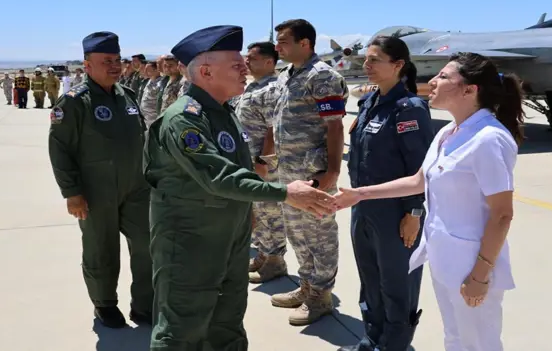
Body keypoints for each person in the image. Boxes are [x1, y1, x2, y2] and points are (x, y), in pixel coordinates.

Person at [144, 24, 337, 350]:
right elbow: (219, 177)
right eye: (236, 64)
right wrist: (286, 192)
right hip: (191, 242)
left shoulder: (222, 112)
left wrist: (245, 213)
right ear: (205, 71)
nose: (244, 68)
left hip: (228, 238)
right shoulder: (185, 119)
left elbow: (241, 167)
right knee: (182, 330)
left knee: (228, 325)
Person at [335, 51, 524, 351]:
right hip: (445, 258)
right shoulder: (448, 133)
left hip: (472, 263)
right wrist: (360, 194)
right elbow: (417, 181)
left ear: (469, 90)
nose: (432, 81)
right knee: (455, 338)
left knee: (479, 344)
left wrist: (480, 274)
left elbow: (502, 214)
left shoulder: (488, 138)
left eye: (444, 76)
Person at [47, 31, 154, 329]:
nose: (115, 65)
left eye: (117, 59)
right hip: (95, 192)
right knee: (101, 248)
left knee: (148, 244)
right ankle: (104, 304)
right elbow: (60, 149)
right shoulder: (73, 101)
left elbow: (141, 140)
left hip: (136, 188)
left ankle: (145, 305)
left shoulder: (127, 96)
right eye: (106, 60)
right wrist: (72, 192)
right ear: (88, 64)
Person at [341, 35, 434, 351]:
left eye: (374, 60)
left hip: (396, 213)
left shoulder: (409, 109)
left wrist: (414, 213)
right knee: (369, 280)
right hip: (363, 208)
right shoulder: (369, 104)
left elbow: (419, 168)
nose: (366, 65)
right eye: (366, 59)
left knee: (397, 284)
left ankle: (395, 344)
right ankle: (372, 339)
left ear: (398, 65)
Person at [270, 18, 349, 325]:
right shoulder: (286, 74)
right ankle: (307, 286)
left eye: (284, 42)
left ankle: (321, 296)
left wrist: (332, 170)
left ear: (305, 44)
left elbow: (335, 126)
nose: (278, 47)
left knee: (320, 234)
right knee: (297, 232)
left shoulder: (323, 76)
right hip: (288, 172)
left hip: (313, 172)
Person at [234, 41, 288, 284]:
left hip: (263, 164)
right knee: (257, 210)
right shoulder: (254, 86)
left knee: (270, 212)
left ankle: (275, 261)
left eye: (252, 58)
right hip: (250, 161)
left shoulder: (272, 89)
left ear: (269, 62)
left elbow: (272, 129)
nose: (246, 61)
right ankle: (264, 254)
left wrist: (263, 161)